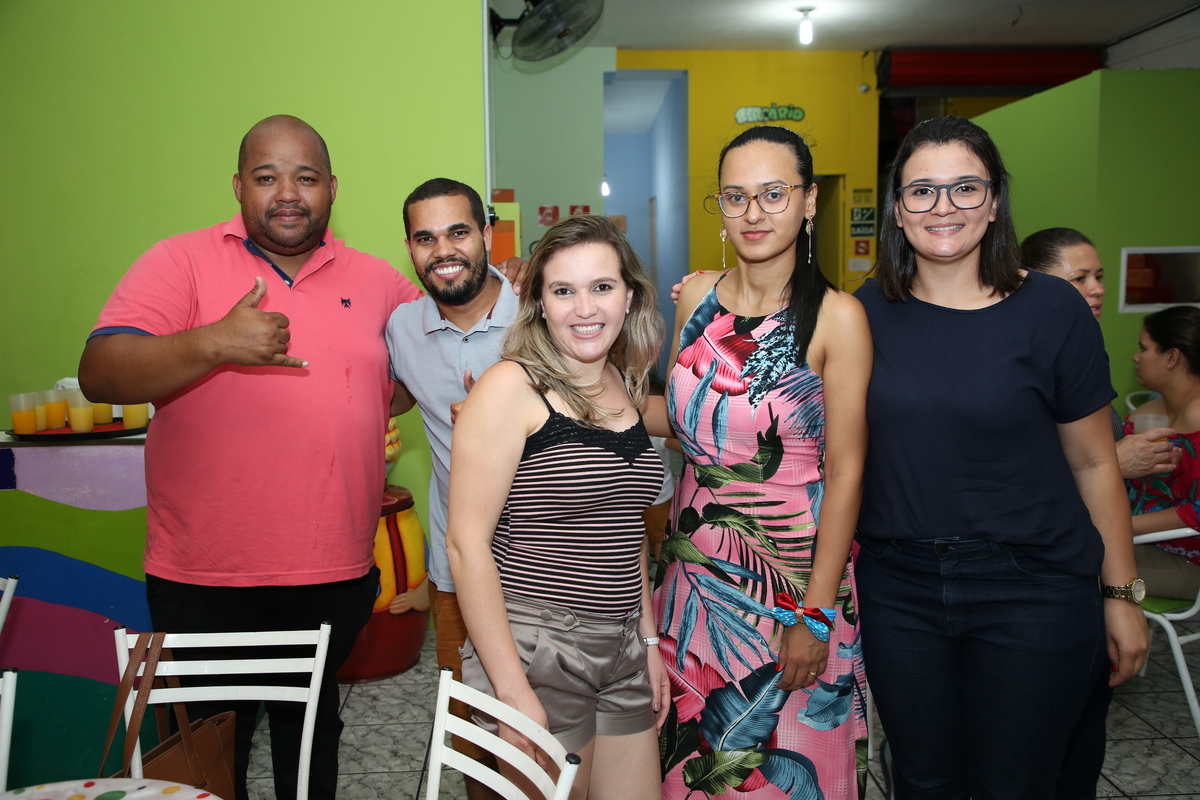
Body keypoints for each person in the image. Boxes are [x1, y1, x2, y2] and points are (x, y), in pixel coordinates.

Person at [77, 115, 423, 800]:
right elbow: (99, 372)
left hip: (332, 571)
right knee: (213, 750)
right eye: (267, 177)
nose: (287, 193)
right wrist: (214, 342)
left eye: (305, 177)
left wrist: (504, 292)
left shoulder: (378, 280)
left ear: (332, 188)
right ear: (238, 186)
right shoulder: (178, 261)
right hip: (205, 575)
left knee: (311, 740)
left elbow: (423, 365)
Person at [853, 115, 1149, 799]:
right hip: (901, 588)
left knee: (1015, 784)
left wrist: (1121, 595)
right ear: (897, 209)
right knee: (923, 781)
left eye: (965, 187)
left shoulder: (1052, 309)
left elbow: (1095, 464)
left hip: (1034, 587)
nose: (943, 206)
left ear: (994, 202)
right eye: (922, 190)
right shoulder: (862, 312)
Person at [654, 125, 872, 799]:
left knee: (785, 775)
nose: (753, 212)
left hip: (793, 588)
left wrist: (815, 616)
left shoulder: (837, 318)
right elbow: (683, 426)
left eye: (774, 194)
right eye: (735, 196)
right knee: (697, 774)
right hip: (695, 588)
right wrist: (549, 400)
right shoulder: (694, 298)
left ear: (809, 202)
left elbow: (847, 474)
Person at [447, 215, 668, 799]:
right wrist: (512, 690)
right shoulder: (510, 387)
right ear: (540, 304)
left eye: (602, 287)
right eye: (564, 290)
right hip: (538, 646)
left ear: (629, 297)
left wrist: (647, 642)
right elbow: (467, 548)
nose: (584, 308)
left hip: (621, 644)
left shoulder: (621, 381)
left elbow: (626, 528)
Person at [384, 177, 519, 800]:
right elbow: (380, 398)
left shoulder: (541, 311)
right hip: (457, 571)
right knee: (473, 733)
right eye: (426, 238)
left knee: (556, 729)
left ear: (487, 234)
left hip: (552, 563)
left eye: (459, 232)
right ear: (410, 249)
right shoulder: (401, 330)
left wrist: (507, 421)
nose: (443, 250)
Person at [1022, 226, 1180, 479]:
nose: (1098, 289)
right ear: (1034, 285)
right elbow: (1010, 474)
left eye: (1099, 276)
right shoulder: (1022, 361)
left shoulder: (1079, 352)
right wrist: (1114, 463)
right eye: (1080, 278)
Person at [1126, 307, 1200, 601]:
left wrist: (1119, 527)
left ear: (1172, 357)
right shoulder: (1145, 414)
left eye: (1143, 348)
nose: (1136, 357)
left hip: (1189, 562)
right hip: (1147, 545)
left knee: (1076, 571)